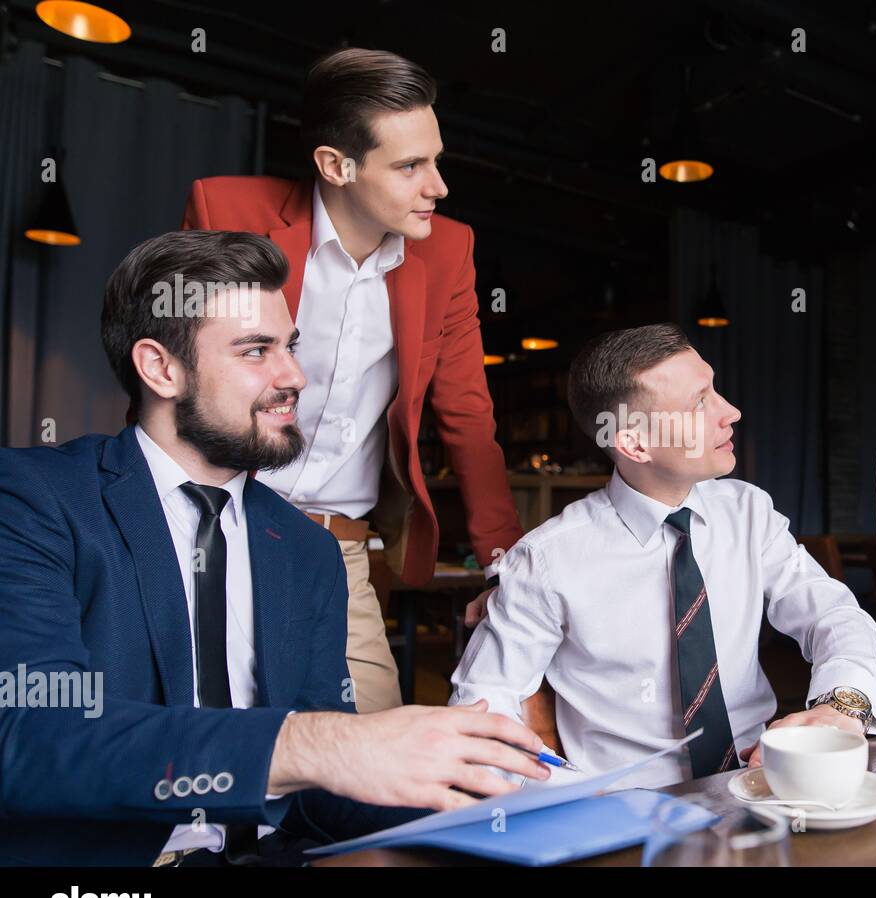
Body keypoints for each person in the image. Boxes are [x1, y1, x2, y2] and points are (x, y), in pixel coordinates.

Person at [0, 231, 548, 866]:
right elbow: (31, 734)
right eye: (256, 351)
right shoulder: (35, 500)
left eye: (288, 346)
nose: (294, 376)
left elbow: (320, 794)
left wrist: (467, 796)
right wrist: (324, 745)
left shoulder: (306, 552)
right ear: (161, 368)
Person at [181, 48, 521, 712]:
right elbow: (181, 377)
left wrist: (508, 565)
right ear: (336, 165)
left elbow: (467, 416)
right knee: (201, 751)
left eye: (437, 160)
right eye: (409, 167)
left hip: (337, 554)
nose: (438, 186)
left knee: (374, 769)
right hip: (207, 534)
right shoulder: (227, 209)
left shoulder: (448, 252)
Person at [451, 324, 876, 790]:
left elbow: (833, 613)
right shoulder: (545, 560)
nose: (731, 412)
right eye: (699, 403)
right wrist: (566, 793)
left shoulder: (749, 513)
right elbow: (481, 702)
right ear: (635, 444)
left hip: (762, 788)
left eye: (714, 389)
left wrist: (840, 706)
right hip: (624, 808)